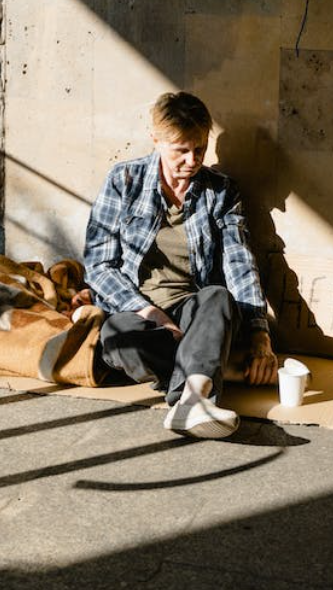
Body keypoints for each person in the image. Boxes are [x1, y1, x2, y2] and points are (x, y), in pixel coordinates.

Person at [83, 91, 276, 439]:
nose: (192, 160)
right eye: (181, 150)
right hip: (139, 314)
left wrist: (260, 335)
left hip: (194, 312)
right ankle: (203, 365)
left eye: (200, 148)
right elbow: (99, 265)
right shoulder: (124, 180)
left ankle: (193, 400)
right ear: (156, 141)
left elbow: (239, 262)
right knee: (116, 339)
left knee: (218, 298)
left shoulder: (220, 191)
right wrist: (150, 314)